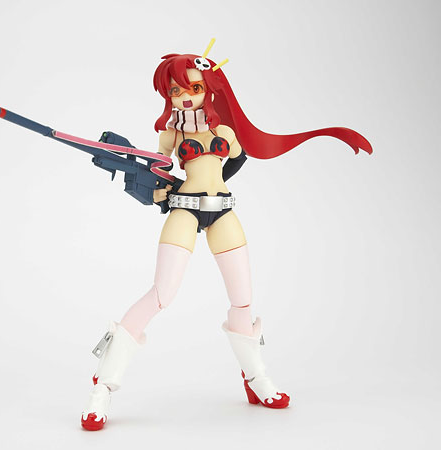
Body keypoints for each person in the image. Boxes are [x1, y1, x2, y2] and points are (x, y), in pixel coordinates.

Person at [81, 41, 372, 431]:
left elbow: (235, 159)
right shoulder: (171, 134)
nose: (185, 97)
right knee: (162, 294)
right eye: (176, 91)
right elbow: (159, 171)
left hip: (222, 210)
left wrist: (209, 182)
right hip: (184, 209)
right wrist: (159, 190)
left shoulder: (224, 131)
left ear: (210, 89)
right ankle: (103, 385)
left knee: (242, 299)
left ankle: (256, 377)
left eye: (194, 88)